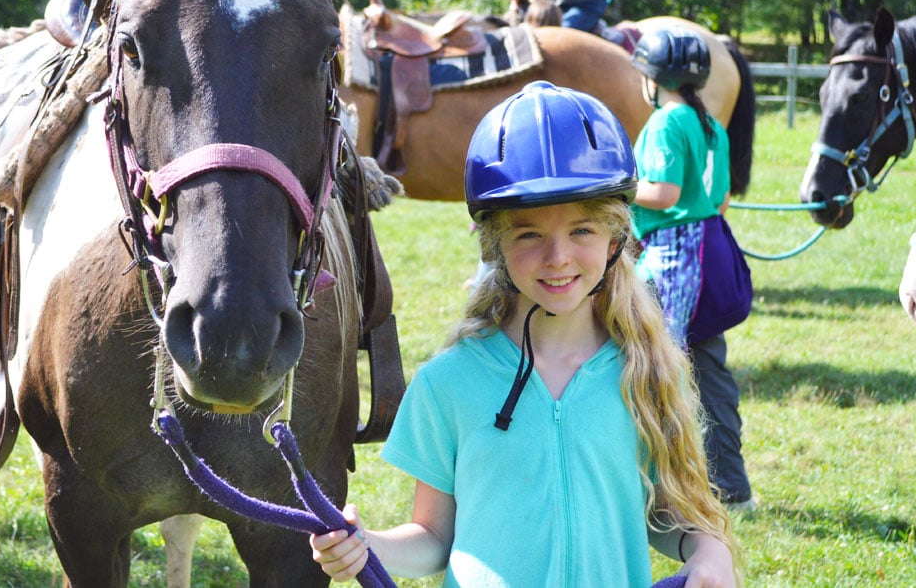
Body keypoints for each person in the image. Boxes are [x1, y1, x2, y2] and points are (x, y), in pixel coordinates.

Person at [311, 81, 740, 587]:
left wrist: (709, 550)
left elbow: (667, 514)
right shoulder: (450, 381)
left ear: (615, 240)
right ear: (494, 246)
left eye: (582, 230)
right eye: (529, 234)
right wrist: (367, 546)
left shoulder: (646, 368)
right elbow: (432, 537)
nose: (557, 257)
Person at [630, 27, 754, 512]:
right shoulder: (712, 127)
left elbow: (663, 195)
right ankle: (732, 486)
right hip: (710, 251)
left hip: (670, 259)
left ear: (653, 79)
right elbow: (719, 200)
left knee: (649, 368)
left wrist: (617, 186)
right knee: (709, 369)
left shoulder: (664, 123)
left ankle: (654, 485)